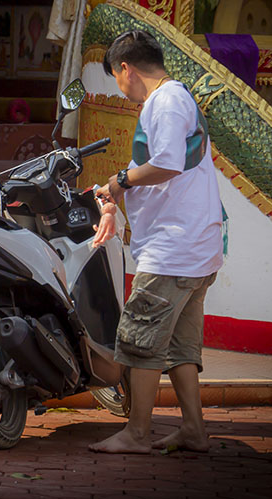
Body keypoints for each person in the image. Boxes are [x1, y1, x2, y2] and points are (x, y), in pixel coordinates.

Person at [88, 29, 223, 454]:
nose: (120, 87)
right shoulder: (175, 99)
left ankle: (137, 432)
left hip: (172, 252)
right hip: (194, 251)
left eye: (115, 77)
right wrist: (114, 193)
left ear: (125, 69)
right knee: (180, 348)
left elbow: (163, 164)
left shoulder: (164, 102)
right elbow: (152, 166)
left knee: (140, 342)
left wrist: (122, 180)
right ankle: (194, 430)